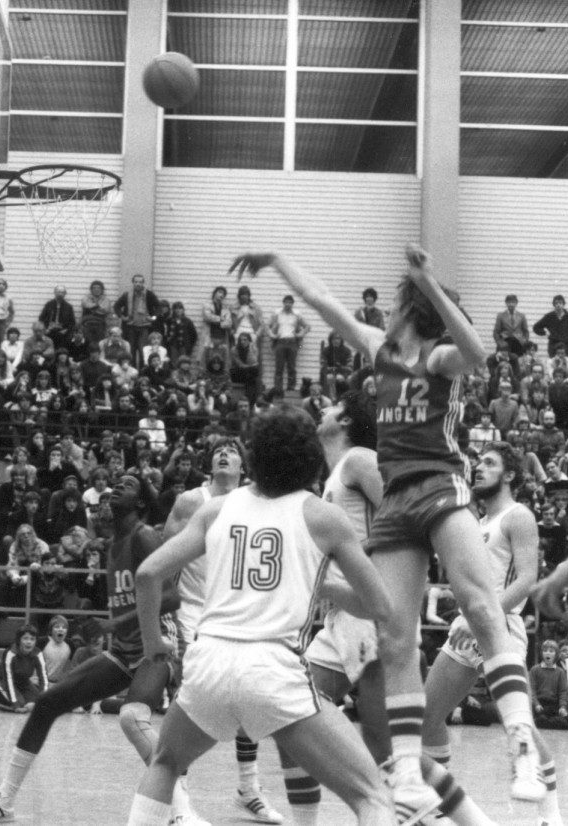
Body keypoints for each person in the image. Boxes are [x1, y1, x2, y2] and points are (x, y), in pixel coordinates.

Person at [230, 245, 544, 804]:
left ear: (412, 312)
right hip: (398, 499)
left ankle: (519, 740)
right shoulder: (377, 349)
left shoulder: (440, 359)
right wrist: (278, 259)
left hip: (441, 487)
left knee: (478, 603)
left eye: (399, 303)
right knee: (396, 635)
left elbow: (478, 354)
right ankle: (405, 770)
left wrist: (429, 280)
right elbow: (320, 300)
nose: (387, 311)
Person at [126, 406, 395, 826]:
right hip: (272, 670)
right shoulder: (324, 516)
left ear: (254, 456)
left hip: (209, 663)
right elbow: (380, 606)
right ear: (309, 458)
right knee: (372, 795)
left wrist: (152, 645)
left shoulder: (217, 509)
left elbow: (147, 574)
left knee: (164, 762)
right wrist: (324, 585)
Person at [279, 392, 493, 826]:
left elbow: (407, 517)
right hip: (342, 617)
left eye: (333, 405)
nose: (323, 409)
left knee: (391, 748)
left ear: (346, 419)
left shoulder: (359, 460)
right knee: (289, 712)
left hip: (370, 613)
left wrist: (352, 564)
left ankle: (469, 820)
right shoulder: (336, 471)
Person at [0, 474, 186, 825]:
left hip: (158, 645)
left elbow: (172, 597)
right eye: (116, 483)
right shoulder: (113, 544)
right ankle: (4, 801)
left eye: (127, 485)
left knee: (132, 717)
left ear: (141, 503)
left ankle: (181, 811)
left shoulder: (143, 536)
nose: (115, 487)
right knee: (47, 704)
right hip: (126, 650)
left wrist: (113, 624)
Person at [421, 443, 564, 826]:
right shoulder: (476, 522)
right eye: (478, 462)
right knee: (428, 717)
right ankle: (438, 809)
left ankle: (551, 815)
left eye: (489, 463)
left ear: (510, 475)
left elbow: (528, 579)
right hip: (465, 629)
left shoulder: (519, 516)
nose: (478, 468)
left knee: (521, 727)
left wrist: (486, 614)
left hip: (501, 627)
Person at [162, 439, 282, 824]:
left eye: (231, 450)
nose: (224, 454)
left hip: (239, 613)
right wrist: (166, 616)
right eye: (218, 451)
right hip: (194, 612)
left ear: (243, 464)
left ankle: (248, 790)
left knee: (250, 695)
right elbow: (166, 561)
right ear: (209, 463)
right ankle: (177, 800)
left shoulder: (256, 501)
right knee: (187, 700)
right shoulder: (190, 502)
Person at [0, 623, 48, 713]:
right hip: (3, 680)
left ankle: (16, 698)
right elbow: (8, 679)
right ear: (19, 640)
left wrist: (43, 701)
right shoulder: (10, 653)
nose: (29, 642)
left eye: (32, 639)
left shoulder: (38, 653)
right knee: (20, 704)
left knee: (38, 701)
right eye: (25, 638)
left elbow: (43, 678)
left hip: (23, 682)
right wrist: (16, 705)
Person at [266, 294, 309, 397]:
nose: (288, 304)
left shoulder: (297, 314)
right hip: (280, 342)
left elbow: (307, 326)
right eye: (286, 302)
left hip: (293, 342)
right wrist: (272, 335)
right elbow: (267, 325)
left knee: (291, 367)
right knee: (279, 367)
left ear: (292, 304)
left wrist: (300, 334)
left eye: (290, 302)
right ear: (283, 303)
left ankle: (291, 389)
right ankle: (278, 390)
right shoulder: (277, 313)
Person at [530, 639, 568, 730]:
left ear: (556, 654)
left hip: (553, 705)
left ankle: (549, 721)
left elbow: (563, 692)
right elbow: (531, 690)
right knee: (541, 719)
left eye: (551, 651)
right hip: (540, 704)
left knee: (564, 720)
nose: (547, 653)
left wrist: (562, 707)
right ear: (541, 653)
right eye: (545, 651)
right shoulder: (535, 670)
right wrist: (536, 704)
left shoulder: (560, 672)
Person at [533, 295, 568, 360]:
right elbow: (536, 327)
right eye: (556, 303)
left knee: (566, 366)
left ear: (563, 304)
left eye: (560, 303)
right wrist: (545, 332)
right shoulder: (549, 316)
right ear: (554, 305)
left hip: (566, 346)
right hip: (553, 345)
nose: (558, 305)